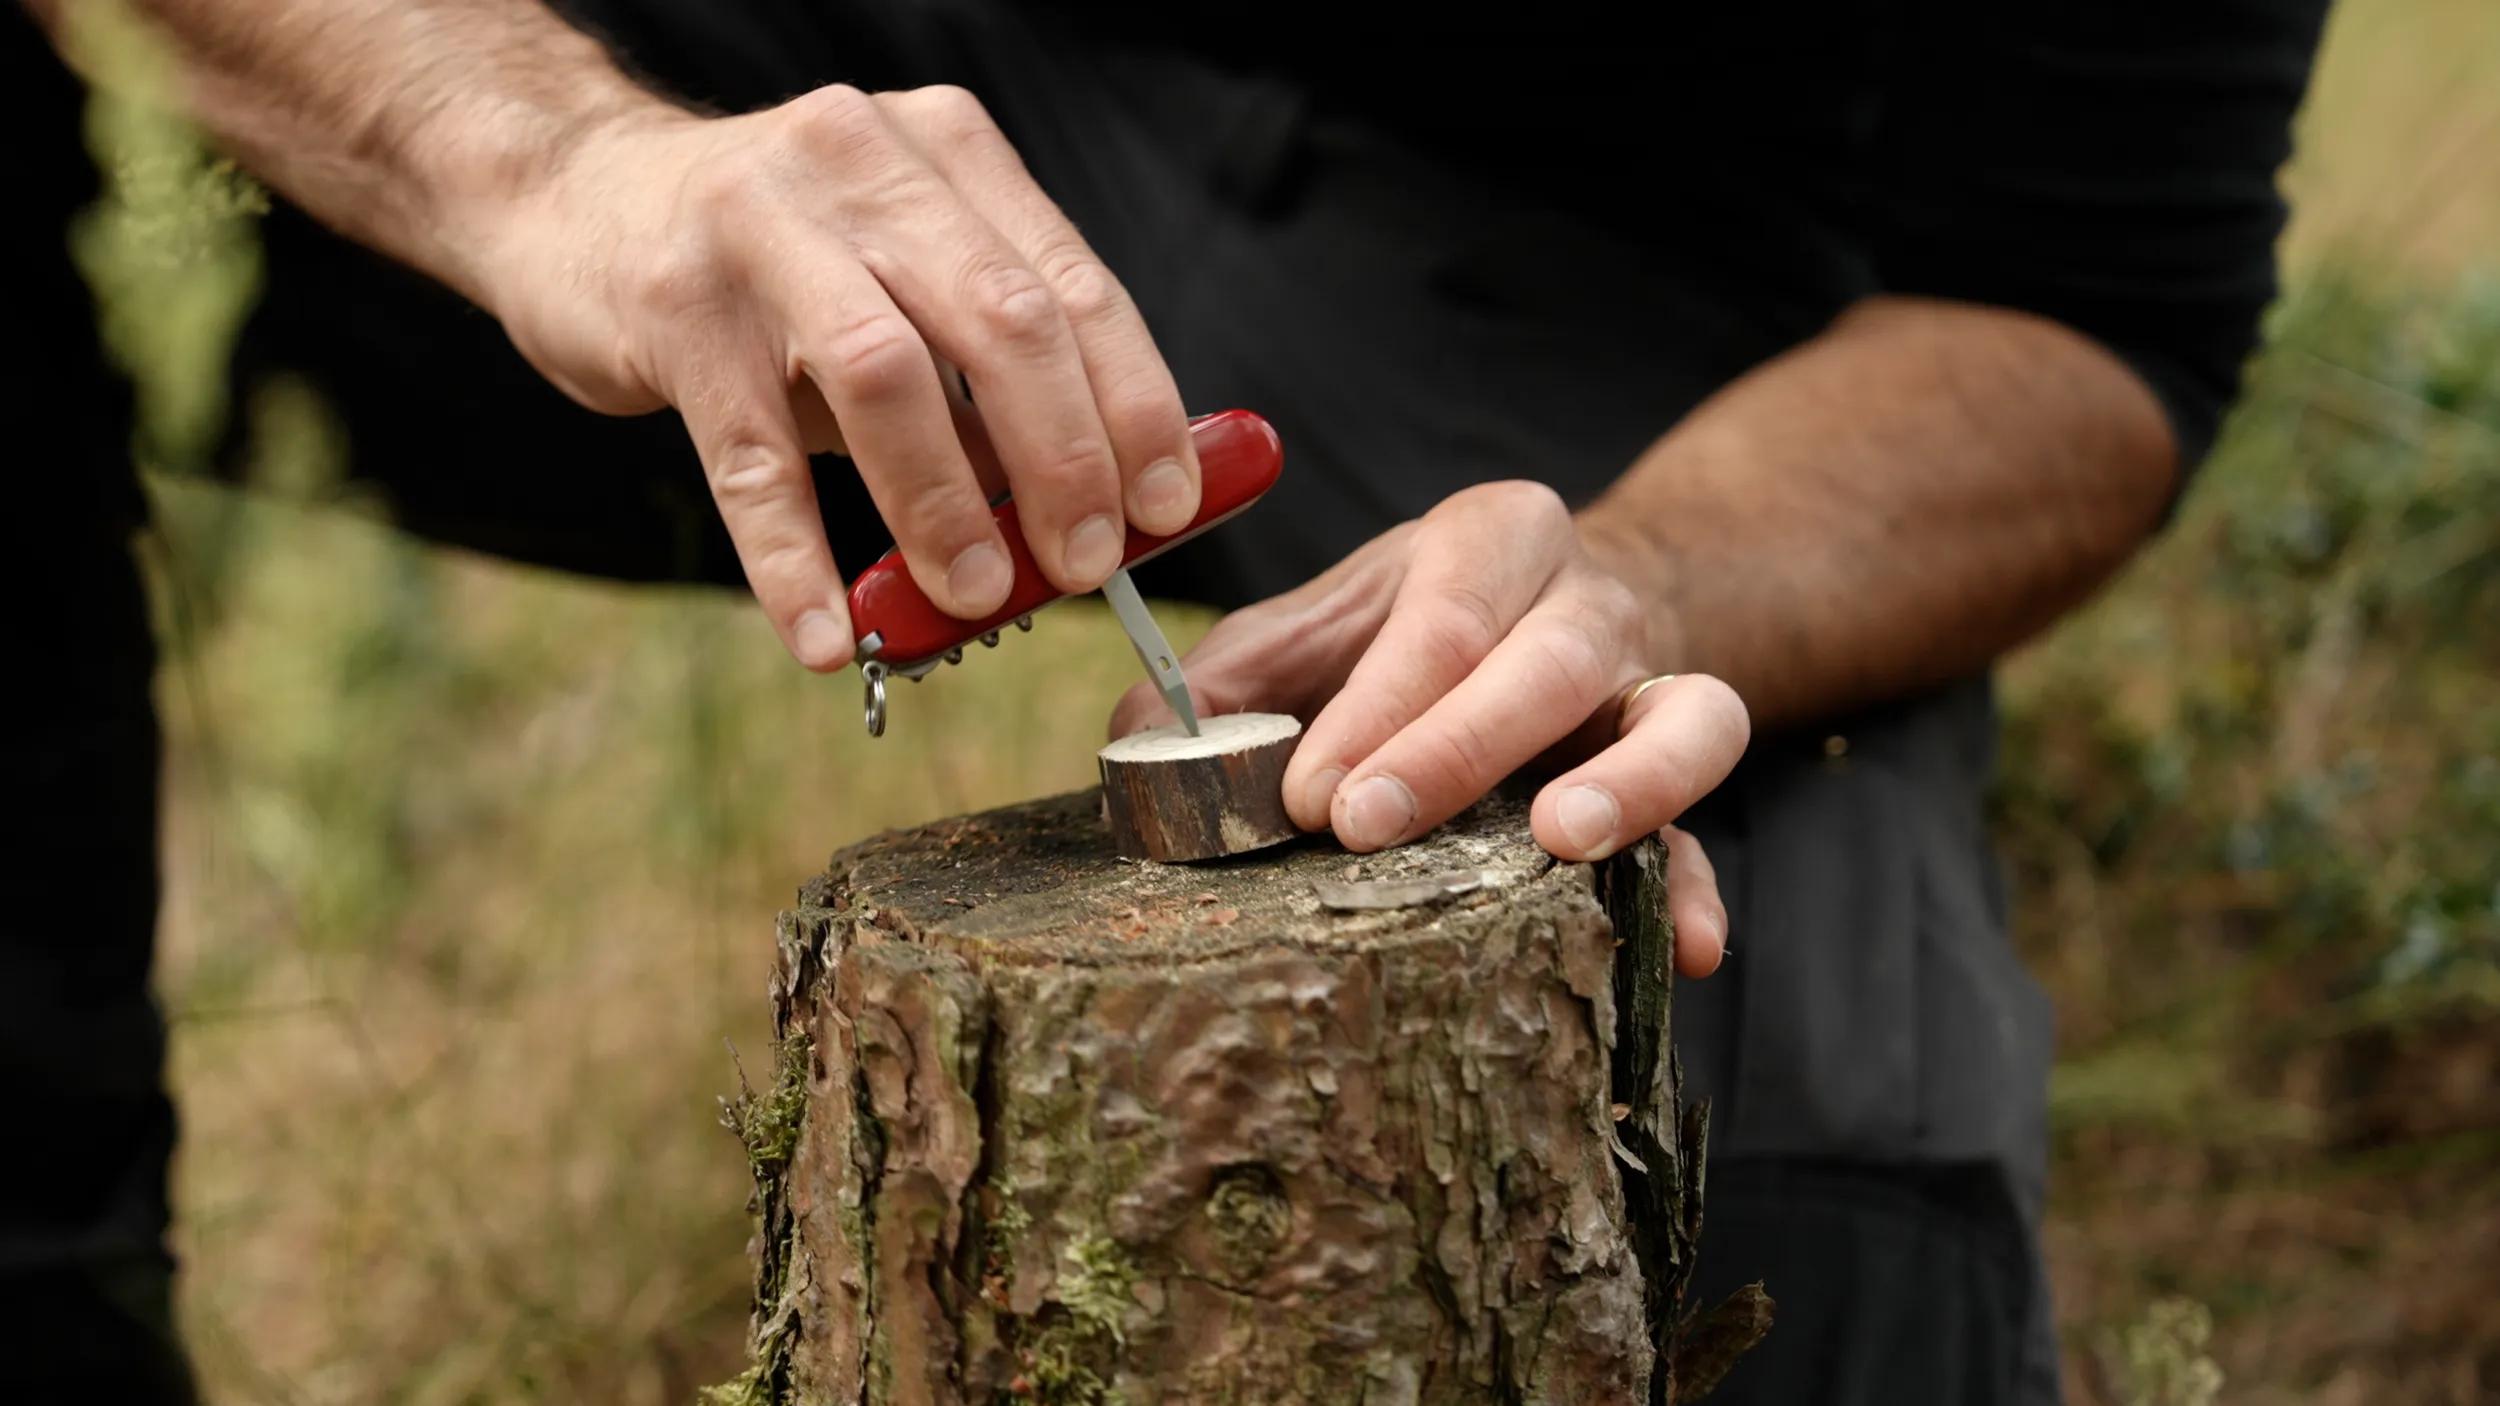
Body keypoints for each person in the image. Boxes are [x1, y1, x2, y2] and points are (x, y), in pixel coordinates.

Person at [6, 2, 2331, 1402]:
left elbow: (2078, 302)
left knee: (1783, 1121)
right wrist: (541, 152)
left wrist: (1640, 575)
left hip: (1604, 290)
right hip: (730, 85)